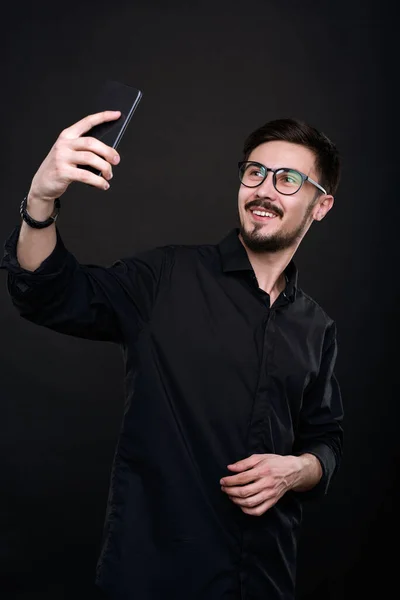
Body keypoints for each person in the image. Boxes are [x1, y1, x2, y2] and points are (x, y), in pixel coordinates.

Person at [1, 110, 344, 600]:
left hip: (266, 578)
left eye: (288, 179)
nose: (264, 190)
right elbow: (50, 293)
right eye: (255, 173)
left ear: (320, 205)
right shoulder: (165, 277)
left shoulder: (317, 327)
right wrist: (41, 200)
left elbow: (326, 438)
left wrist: (299, 470)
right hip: (154, 578)